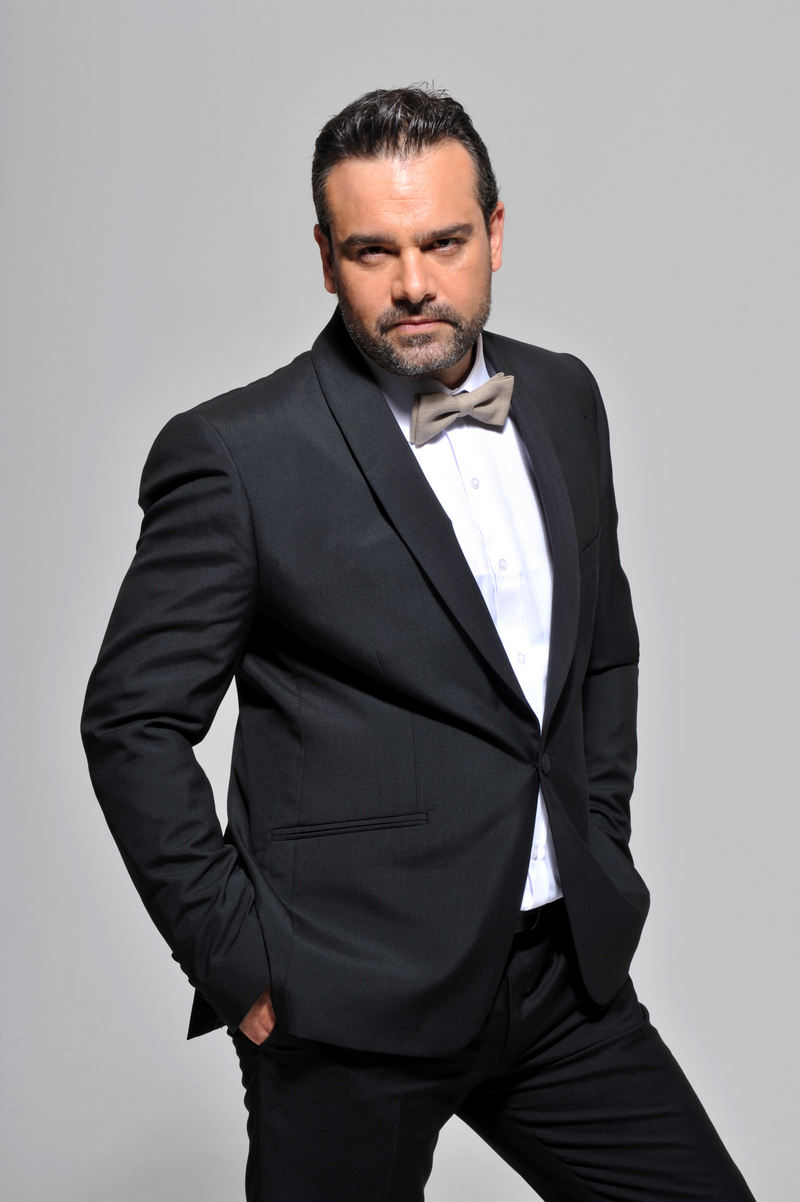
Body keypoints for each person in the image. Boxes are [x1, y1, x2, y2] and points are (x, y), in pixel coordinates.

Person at [81, 87, 755, 1201]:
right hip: (347, 1004)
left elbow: (602, 652)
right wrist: (240, 962)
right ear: (324, 257)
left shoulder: (565, 398)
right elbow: (131, 722)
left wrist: (599, 841)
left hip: (561, 979)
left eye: (443, 241)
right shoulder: (238, 453)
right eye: (371, 250)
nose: (412, 283)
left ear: (495, 231)